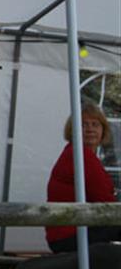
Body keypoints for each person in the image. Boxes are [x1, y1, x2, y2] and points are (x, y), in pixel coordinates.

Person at [46, 103, 119, 253]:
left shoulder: (78, 153)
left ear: (103, 130)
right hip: (70, 235)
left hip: (68, 231)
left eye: (95, 125)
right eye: (83, 125)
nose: (90, 129)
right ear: (72, 130)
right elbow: (105, 201)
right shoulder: (80, 155)